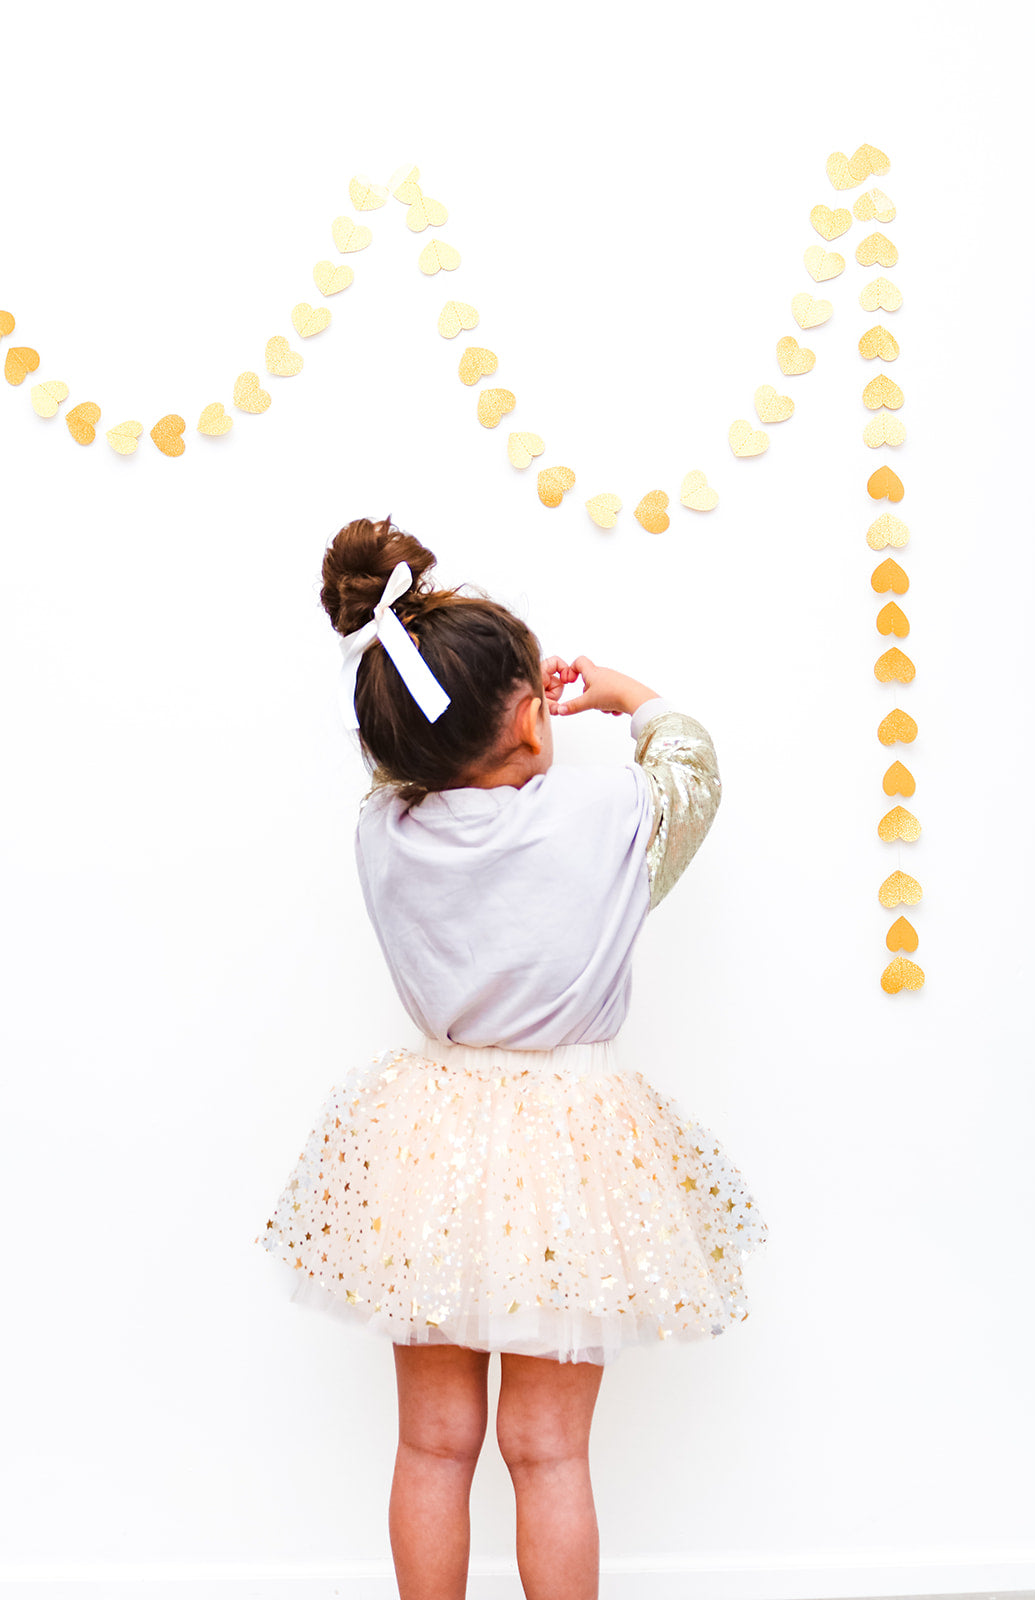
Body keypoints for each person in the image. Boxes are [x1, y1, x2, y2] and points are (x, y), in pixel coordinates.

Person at [254, 513, 769, 1600]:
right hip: (573, 1148)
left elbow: (404, 770)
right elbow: (691, 771)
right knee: (549, 1454)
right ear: (537, 718)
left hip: (425, 1144)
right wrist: (631, 697)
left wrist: (440, 708)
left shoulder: (382, 834)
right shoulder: (606, 822)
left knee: (432, 1445)